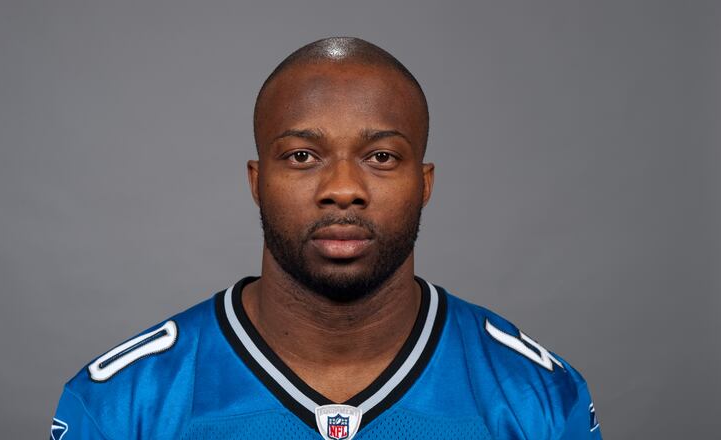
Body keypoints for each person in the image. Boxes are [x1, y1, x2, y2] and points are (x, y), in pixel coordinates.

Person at [50, 36, 602, 440]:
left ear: (424, 184)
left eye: (381, 157)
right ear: (257, 181)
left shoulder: (536, 397)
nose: (343, 188)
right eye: (302, 156)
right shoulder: (123, 403)